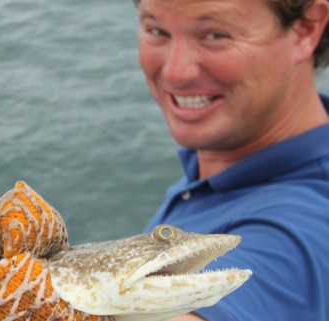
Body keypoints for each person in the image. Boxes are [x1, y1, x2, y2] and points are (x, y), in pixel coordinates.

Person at [133, 0, 329, 320]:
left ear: (306, 30)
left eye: (215, 35)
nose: (175, 72)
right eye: (157, 31)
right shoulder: (227, 160)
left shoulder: (300, 232)